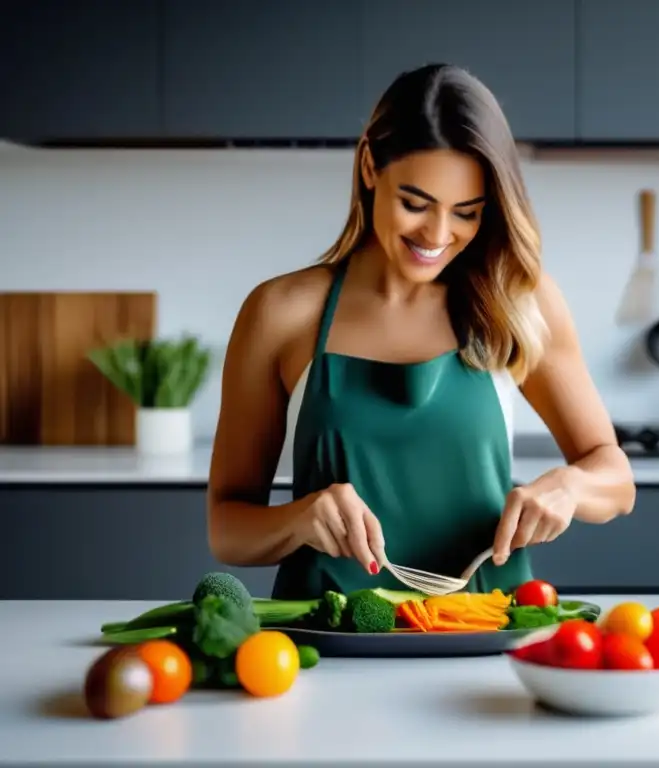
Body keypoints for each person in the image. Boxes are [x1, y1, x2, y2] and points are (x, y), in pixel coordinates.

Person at [206, 64, 636, 600]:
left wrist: (571, 487)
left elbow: (615, 478)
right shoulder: (280, 313)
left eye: (467, 213)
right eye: (416, 203)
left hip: (483, 635)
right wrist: (299, 517)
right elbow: (227, 530)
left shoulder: (519, 302)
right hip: (326, 638)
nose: (437, 235)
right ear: (369, 165)